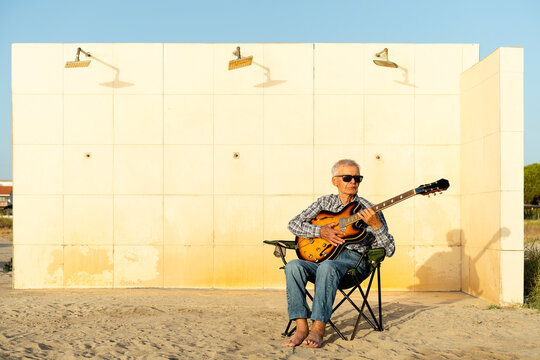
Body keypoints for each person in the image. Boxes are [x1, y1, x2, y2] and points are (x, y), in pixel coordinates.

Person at [283, 159, 395, 348]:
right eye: (347, 177)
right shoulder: (324, 202)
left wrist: (376, 226)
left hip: (353, 264)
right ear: (335, 181)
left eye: (357, 178)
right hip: (322, 259)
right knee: (293, 266)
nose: (353, 182)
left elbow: (389, 250)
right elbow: (293, 224)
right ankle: (301, 326)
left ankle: (318, 328)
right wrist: (320, 232)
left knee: (328, 267)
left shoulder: (369, 210)